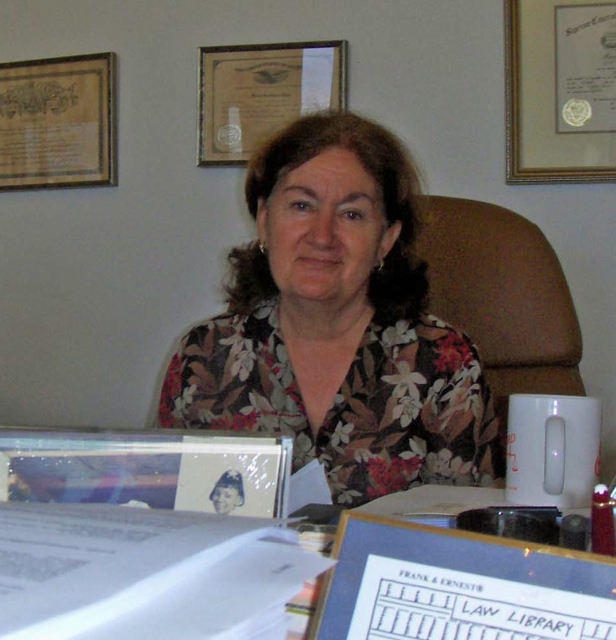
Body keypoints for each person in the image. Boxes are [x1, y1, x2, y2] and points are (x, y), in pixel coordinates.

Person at [158, 111, 505, 507]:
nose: (322, 236)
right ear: (265, 220)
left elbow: (464, 535)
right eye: (302, 206)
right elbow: (170, 516)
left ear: (386, 240)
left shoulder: (446, 364)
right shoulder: (202, 355)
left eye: (351, 214)